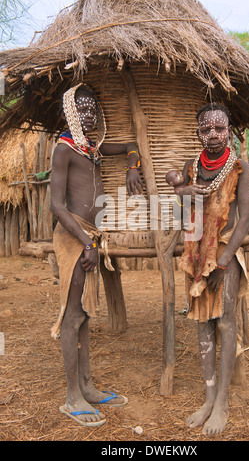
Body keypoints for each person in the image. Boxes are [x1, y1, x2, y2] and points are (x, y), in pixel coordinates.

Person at [50, 83, 143, 427]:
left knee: (84, 314)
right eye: (82, 109)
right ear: (69, 114)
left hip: (90, 238)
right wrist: (86, 244)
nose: (89, 114)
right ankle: (72, 396)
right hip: (73, 236)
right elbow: (56, 206)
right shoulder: (64, 149)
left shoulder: (92, 149)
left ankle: (87, 387)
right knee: (72, 316)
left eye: (93, 109)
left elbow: (132, 146)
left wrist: (133, 166)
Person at [175, 102, 249, 436]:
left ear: (229, 130)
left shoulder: (239, 167)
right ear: (198, 133)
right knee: (203, 323)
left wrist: (222, 262)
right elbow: (184, 210)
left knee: (225, 323)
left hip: (225, 254)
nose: (213, 135)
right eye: (206, 129)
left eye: (219, 128)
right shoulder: (191, 167)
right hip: (195, 252)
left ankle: (221, 403)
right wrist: (182, 192)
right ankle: (208, 399)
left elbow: (246, 219)